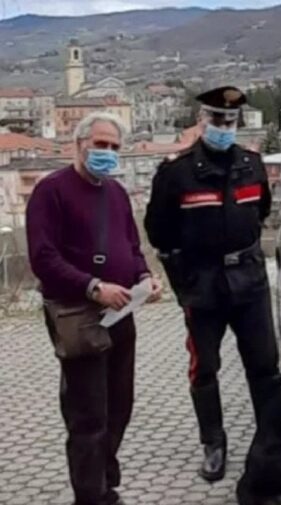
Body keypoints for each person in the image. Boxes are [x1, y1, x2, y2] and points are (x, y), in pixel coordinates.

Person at [144, 86, 281, 482]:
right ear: (202, 121)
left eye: (230, 121)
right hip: (203, 284)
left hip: (250, 282)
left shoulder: (252, 165)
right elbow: (159, 233)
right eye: (217, 120)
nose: (224, 127)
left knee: (266, 367)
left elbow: (261, 213)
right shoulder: (177, 173)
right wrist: (183, 284)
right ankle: (214, 443)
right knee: (204, 368)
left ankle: (270, 444)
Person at [26, 112, 163, 505]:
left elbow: (133, 249)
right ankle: (91, 495)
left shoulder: (116, 193)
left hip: (122, 314)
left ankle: (104, 479)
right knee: (88, 414)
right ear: (79, 144)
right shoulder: (51, 191)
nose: (107, 153)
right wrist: (92, 287)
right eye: (100, 144)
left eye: (114, 147)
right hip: (78, 317)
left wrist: (144, 278)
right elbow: (43, 257)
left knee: (120, 405)